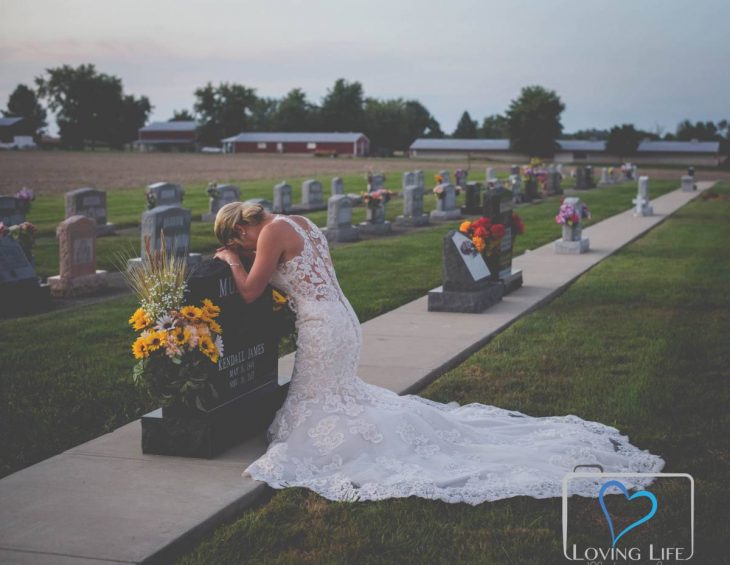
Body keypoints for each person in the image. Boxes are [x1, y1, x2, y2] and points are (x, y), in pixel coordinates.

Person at [213, 202, 664, 504]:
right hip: (339, 316)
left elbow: (251, 291)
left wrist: (230, 263)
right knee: (337, 395)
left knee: (324, 403)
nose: (247, 249)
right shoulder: (297, 221)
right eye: (241, 250)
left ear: (240, 226)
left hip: (322, 325)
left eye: (241, 242)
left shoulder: (270, 232)